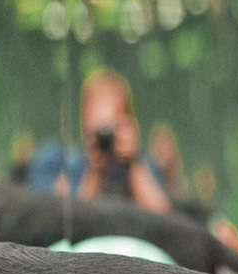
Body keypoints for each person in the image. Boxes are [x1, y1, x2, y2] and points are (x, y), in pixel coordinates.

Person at [59, 70, 170, 213]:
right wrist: (94, 171)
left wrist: (133, 162)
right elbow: (77, 221)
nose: (105, 138)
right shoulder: (75, 165)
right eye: (98, 130)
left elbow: (163, 218)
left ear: (127, 124)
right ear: (84, 124)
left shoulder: (143, 164)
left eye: (110, 129)